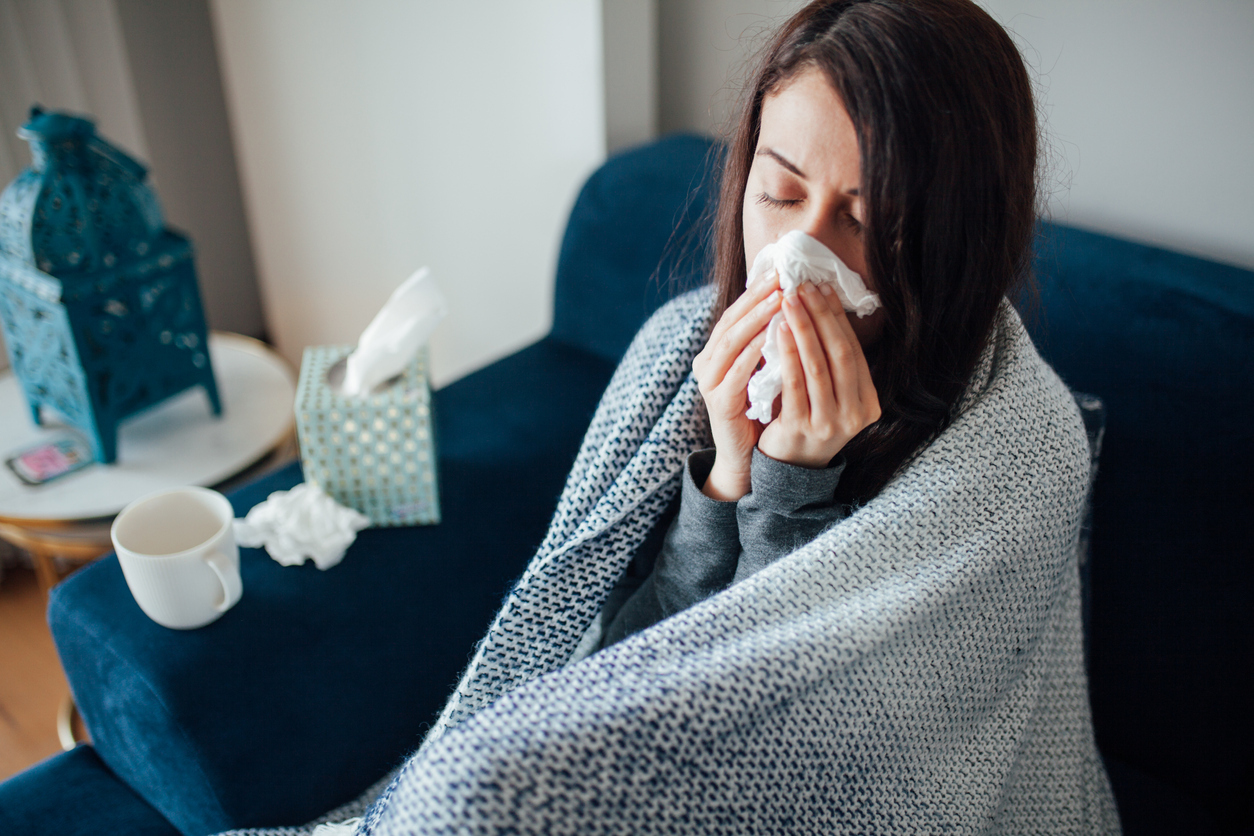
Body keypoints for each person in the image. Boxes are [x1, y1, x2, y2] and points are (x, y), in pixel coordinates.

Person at [247, 2, 1121, 833]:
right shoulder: (680, 349)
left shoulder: (1020, 451)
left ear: (952, 242)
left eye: (865, 221)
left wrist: (791, 493)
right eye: (780, 195)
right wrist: (726, 475)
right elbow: (630, 665)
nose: (801, 257)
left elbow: (799, 760)